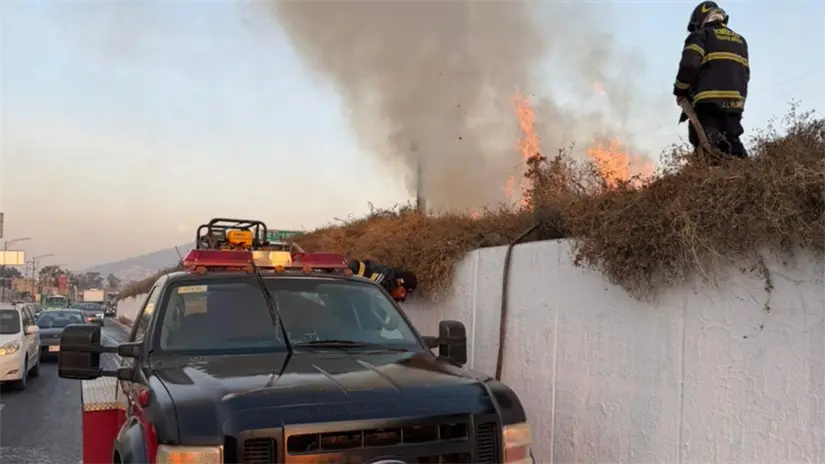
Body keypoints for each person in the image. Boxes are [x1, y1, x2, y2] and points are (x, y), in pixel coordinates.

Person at [673, 1, 750, 161]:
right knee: (732, 144)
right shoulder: (740, 41)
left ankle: (712, 182)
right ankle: (746, 176)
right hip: (735, 106)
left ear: (700, 19)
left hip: (708, 105)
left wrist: (680, 90)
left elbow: (689, 65)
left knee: (707, 147)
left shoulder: (701, 36)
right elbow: (746, 75)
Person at [347, 259, 418, 302]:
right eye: (403, 291)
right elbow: (358, 265)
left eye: (405, 295)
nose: (402, 296)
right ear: (398, 282)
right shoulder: (381, 275)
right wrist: (350, 269)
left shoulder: (390, 301)